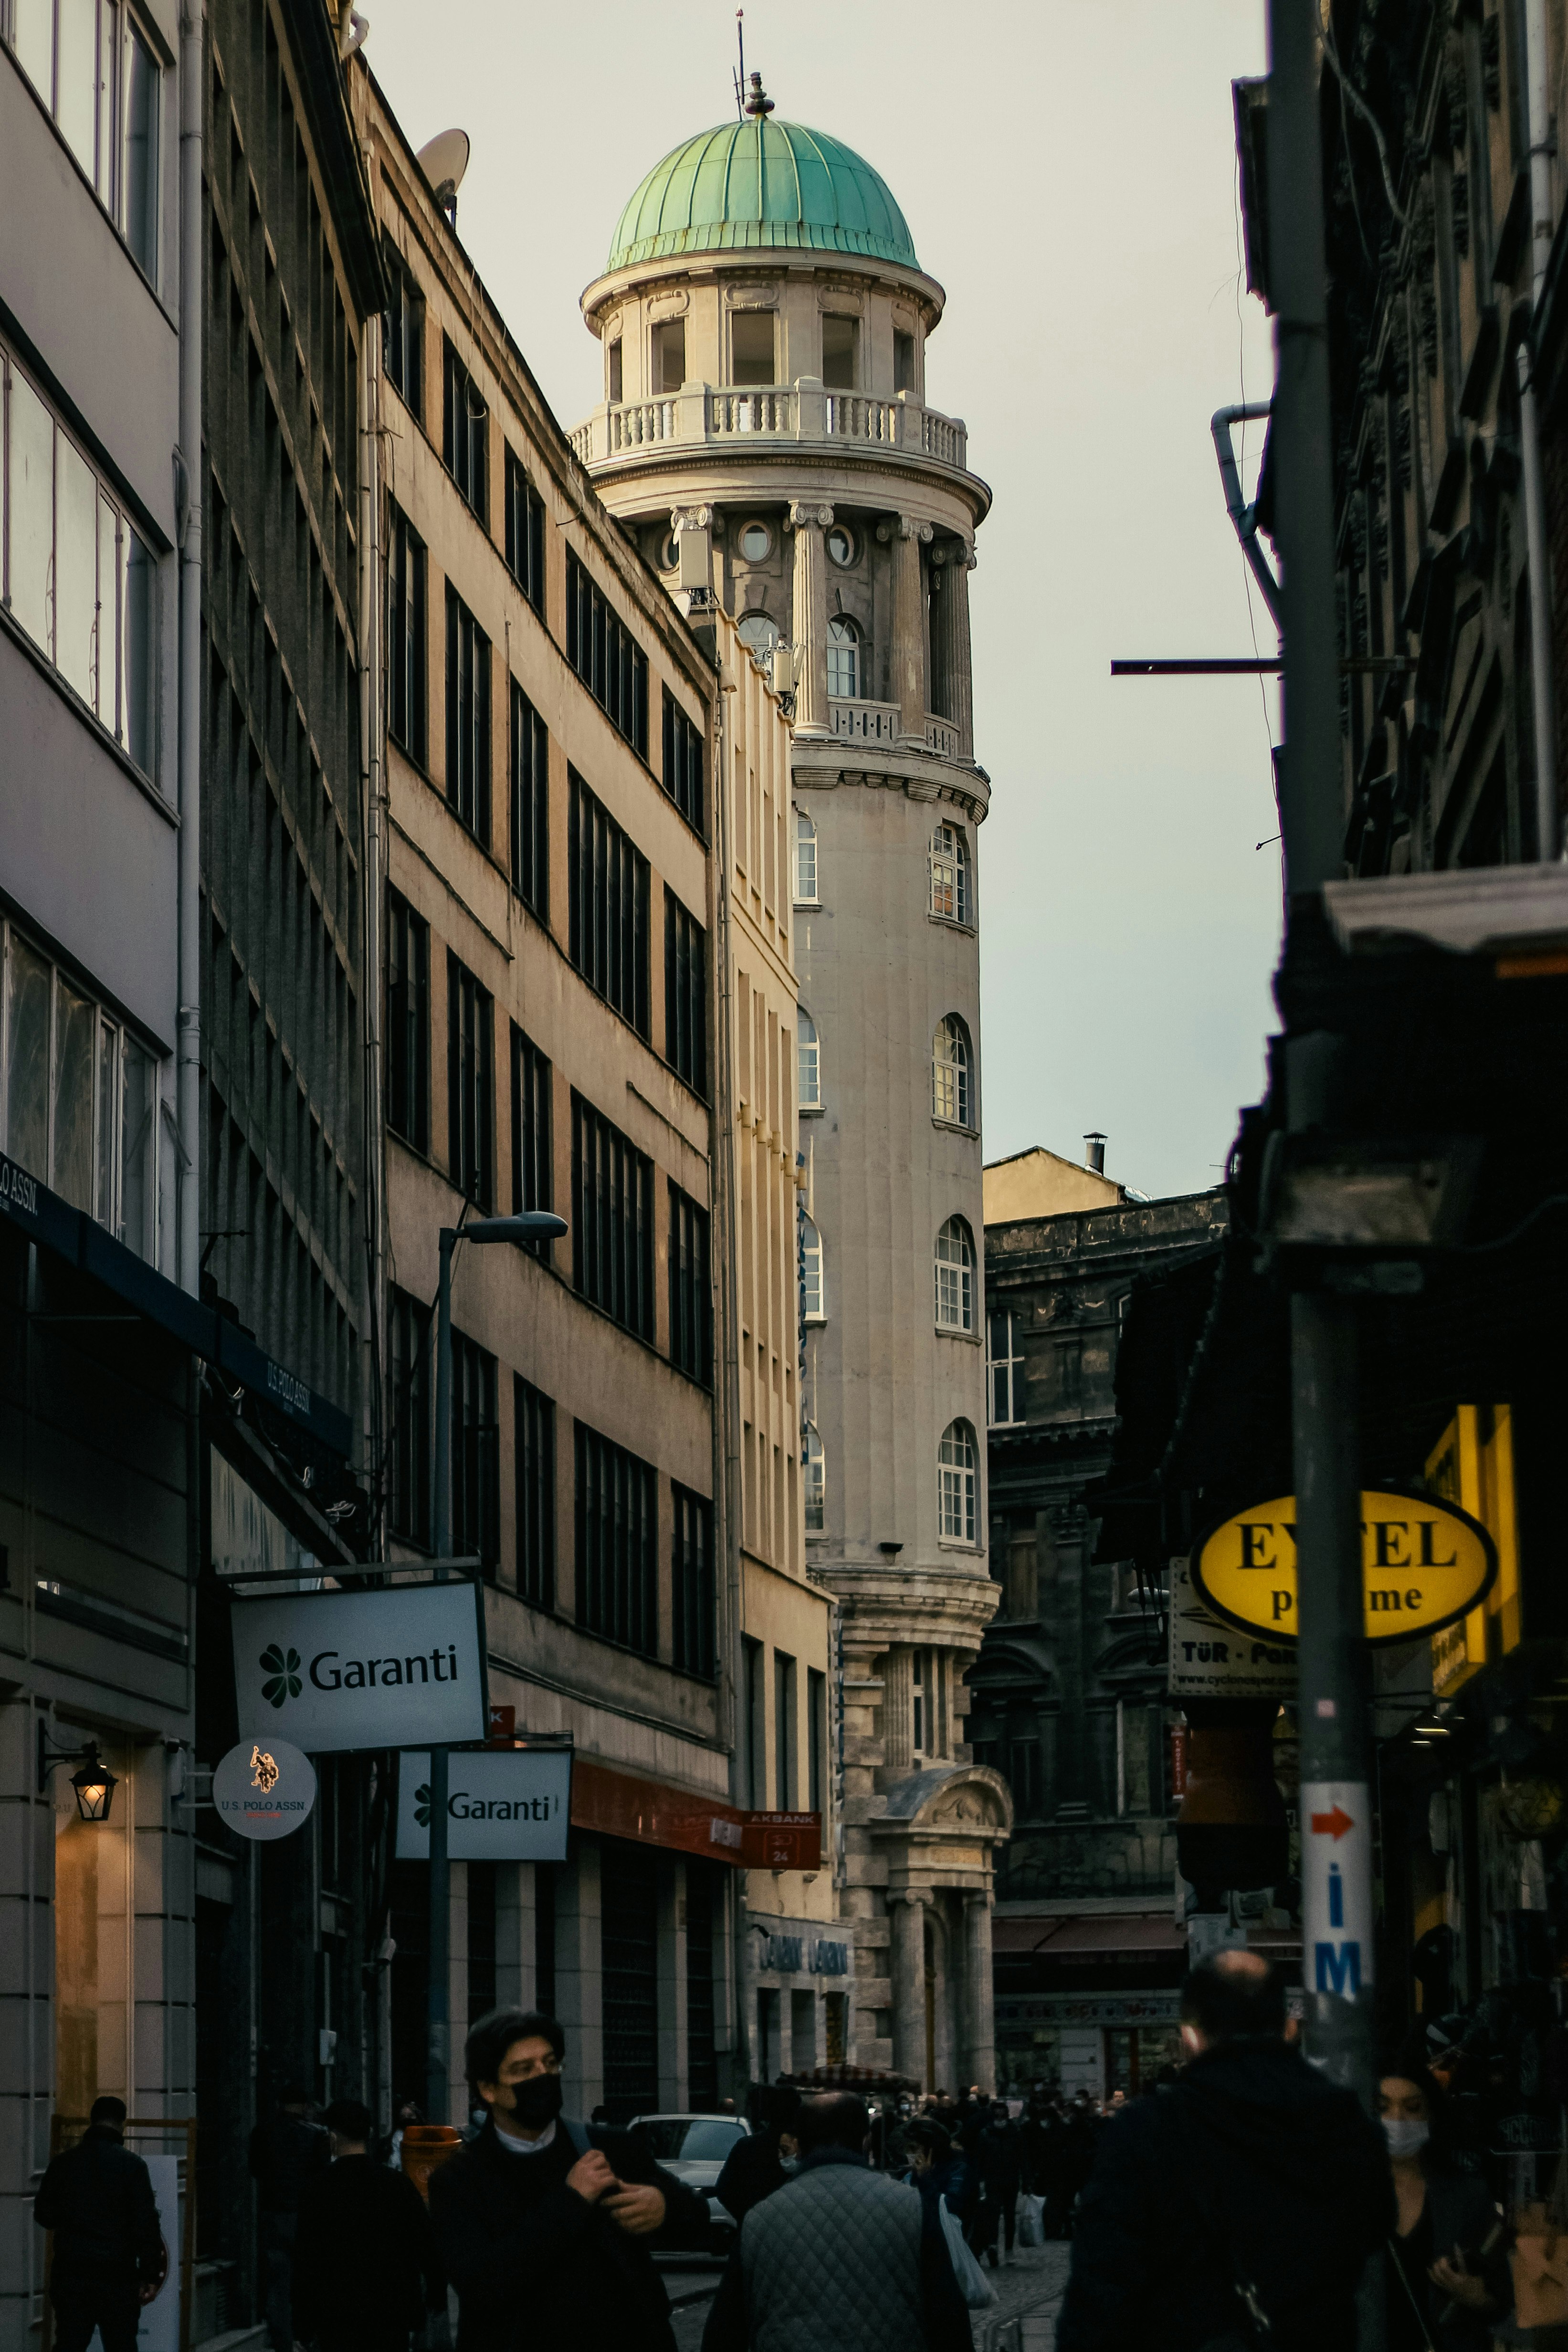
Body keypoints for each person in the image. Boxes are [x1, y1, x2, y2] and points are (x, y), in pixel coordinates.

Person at [1056, 1950, 1395, 2352]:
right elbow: (1374, 2228)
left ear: (1191, 2035)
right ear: (1287, 2027)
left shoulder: (1146, 2130)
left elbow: (1100, 2289)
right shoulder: (1343, 2120)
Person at [427, 2005, 708, 2352]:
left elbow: (697, 2216)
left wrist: (664, 2206)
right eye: (523, 2069)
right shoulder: (459, 2179)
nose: (542, 2076)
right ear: (488, 2089)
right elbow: (483, 2286)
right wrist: (571, 2200)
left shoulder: (609, 2147)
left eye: (550, 2063)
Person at [703, 2092, 972, 2352]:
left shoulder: (760, 2220)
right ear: (866, 2141)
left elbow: (726, 2329)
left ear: (799, 2144)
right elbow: (948, 2317)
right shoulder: (913, 2208)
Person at [292, 2100, 441, 2352]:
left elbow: (307, 2261)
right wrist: (435, 2298)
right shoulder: (397, 2186)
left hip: (337, 2314)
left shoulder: (317, 2190)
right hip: (391, 2311)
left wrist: (303, 2326)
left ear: (332, 2137)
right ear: (370, 2134)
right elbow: (427, 2245)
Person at [1379, 2063, 1509, 2350]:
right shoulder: (1343, 2196)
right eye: (1383, 2107)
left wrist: (1477, 2297)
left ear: (1430, 2116)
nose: (1397, 2119)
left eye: (1412, 2107)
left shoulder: (1465, 2195)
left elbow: (1502, 2297)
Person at [35, 2096, 166, 2352]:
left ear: (92, 2121)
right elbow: (146, 2224)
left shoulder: (64, 2163)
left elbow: (44, 2215)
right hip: (117, 2276)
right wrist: (150, 2273)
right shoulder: (133, 2166)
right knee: (121, 2345)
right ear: (121, 2124)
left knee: (69, 2345)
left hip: (71, 2273)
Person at [249, 2086, 329, 2352]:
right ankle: (307, 2337)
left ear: (279, 2104)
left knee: (278, 2281)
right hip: (306, 2218)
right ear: (305, 2106)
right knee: (310, 2278)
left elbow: (256, 2169)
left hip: (274, 2214)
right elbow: (322, 2177)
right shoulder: (316, 2136)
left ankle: (283, 2340)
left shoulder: (262, 2133)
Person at [714, 2085, 803, 2225]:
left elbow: (724, 2190)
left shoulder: (746, 2146)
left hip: (754, 2226)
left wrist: (747, 2217)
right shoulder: (806, 2147)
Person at [974, 2100, 1024, 2268]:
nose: (1000, 2116)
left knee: (1010, 2216)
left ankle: (1009, 2250)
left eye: (1003, 2112)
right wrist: (980, 2179)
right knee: (993, 2214)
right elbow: (979, 2159)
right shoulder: (986, 2134)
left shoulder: (1015, 2132)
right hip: (993, 2179)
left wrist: (1026, 2178)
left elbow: (1023, 2157)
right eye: (997, 2112)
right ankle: (993, 2246)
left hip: (1010, 2179)